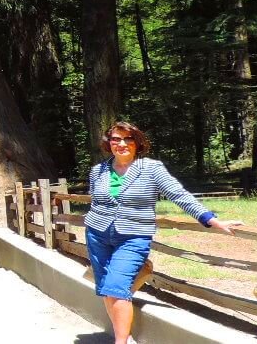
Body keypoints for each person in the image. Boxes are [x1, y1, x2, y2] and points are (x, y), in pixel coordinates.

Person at [85, 121, 243, 344]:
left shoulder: (151, 169)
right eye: (115, 140)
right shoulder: (97, 171)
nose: (121, 144)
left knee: (117, 287)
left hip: (133, 237)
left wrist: (211, 219)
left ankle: (120, 342)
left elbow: (179, 195)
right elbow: (97, 202)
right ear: (108, 144)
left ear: (137, 144)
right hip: (97, 235)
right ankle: (124, 335)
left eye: (127, 139)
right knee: (105, 288)